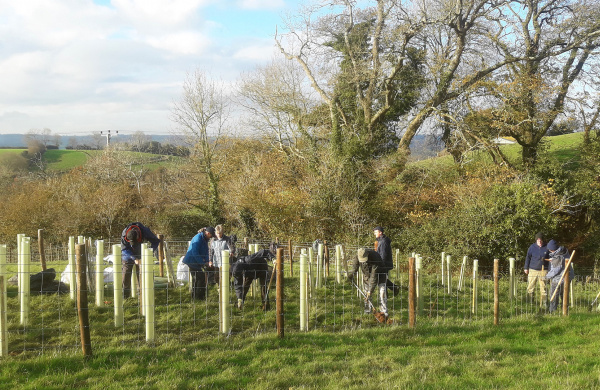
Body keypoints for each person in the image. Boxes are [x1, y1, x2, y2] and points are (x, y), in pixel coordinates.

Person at [121, 222, 160, 298]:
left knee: (141, 274)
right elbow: (124, 249)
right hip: (128, 255)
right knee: (126, 273)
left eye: (134, 242)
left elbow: (156, 241)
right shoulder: (124, 233)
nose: (132, 244)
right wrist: (134, 258)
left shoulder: (145, 231)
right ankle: (125, 295)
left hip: (142, 254)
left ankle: (141, 294)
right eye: (131, 242)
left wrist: (149, 252)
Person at [347, 248, 388, 318]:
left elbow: (374, 275)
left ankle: (384, 312)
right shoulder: (357, 256)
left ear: (368, 254)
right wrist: (351, 276)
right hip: (367, 276)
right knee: (366, 295)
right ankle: (367, 311)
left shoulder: (375, 257)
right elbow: (355, 268)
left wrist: (370, 290)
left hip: (381, 274)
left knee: (382, 293)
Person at [183, 226, 215, 300]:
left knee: (199, 278)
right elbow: (195, 253)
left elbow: (206, 252)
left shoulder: (205, 239)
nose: (211, 237)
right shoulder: (198, 238)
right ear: (208, 233)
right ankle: (198, 297)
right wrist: (203, 263)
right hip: (192, 261)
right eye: (211, 235)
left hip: (197, 261)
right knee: (199, 278)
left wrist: (207, 261)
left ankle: (198, 297)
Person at [545, 239, 574, 313]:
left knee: (554, 295)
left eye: (550, 249)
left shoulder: (558, 257)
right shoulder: (564, 252)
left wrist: (546, 277)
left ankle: (552, 311)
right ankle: (565, 310)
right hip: (567, 277)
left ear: (552, 249)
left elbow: (555, 270)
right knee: (564, 294)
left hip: (559, 278)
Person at [524, 232, 549, 307]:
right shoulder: (532, 247)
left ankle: (544, 303)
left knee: (543, 287)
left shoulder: (547, 247)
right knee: (530, 286)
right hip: (533, 270)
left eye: (541, 239)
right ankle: (530, 302)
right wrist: (526, 267)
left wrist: (549, 268)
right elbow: (528, 257)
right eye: (538, 239)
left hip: (543, 270)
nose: (539, 241)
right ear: (536, 240)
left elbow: (550, 259)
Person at [373, 226, 400, 297]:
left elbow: (383, 254)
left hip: (384, 263)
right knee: (382, 278)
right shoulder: (381, 241)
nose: (374, 234)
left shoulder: (383, 242)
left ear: (380, 232)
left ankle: (387, 293)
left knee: (381, 278)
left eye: (376, 232)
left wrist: (380, 264)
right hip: (384, 263)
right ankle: (392, 290)